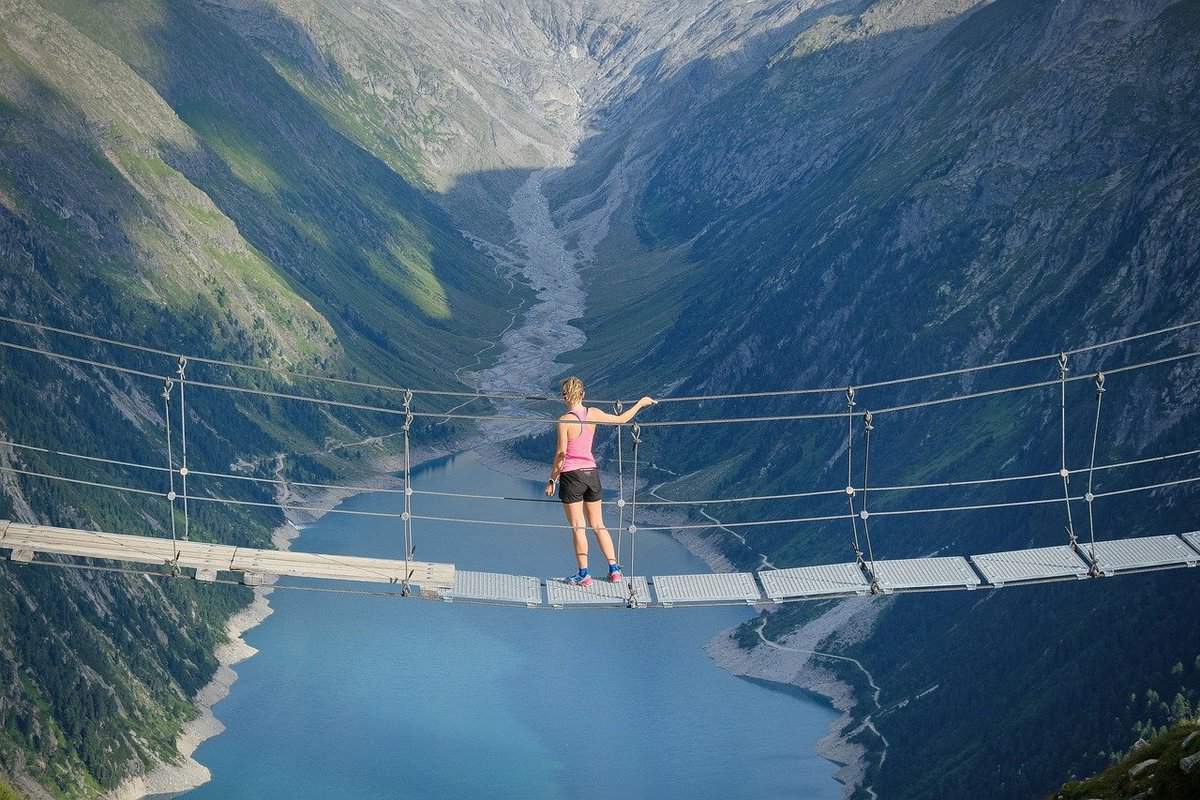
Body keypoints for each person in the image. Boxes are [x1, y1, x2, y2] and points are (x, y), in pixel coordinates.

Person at [545, 376, 655, 586]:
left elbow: (561, 454)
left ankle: (583, 574)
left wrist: (552, 479)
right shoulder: (593, 413)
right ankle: (614, 570)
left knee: (579, 526)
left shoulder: (564, 420)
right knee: (598, 524)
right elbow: (622, 420)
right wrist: (641, 402)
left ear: (564, 397)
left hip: (572, 476)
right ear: (583, 394)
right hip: (592, 475)